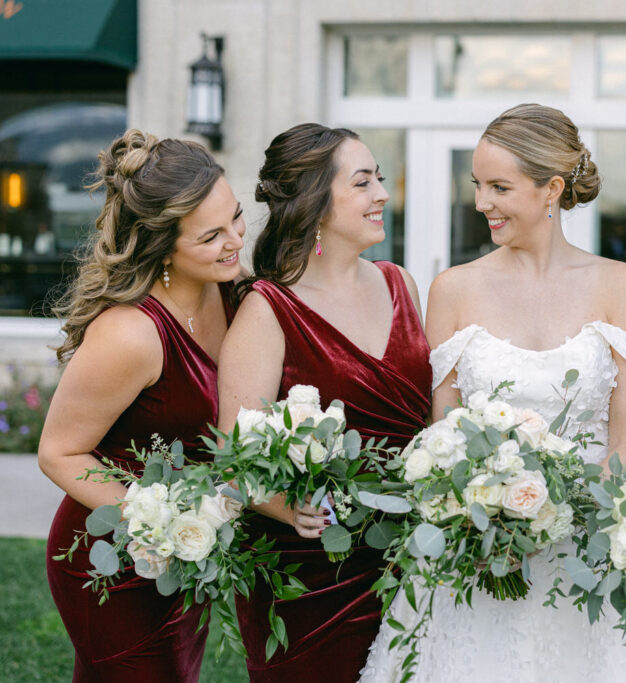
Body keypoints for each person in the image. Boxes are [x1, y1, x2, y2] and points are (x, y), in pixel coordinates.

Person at [359, 103, 626, 682]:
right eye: (477, 185)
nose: (481, 203)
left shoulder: (619, 286)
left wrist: (559, 522)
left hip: (585, 555)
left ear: (551, 188)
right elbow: (441, 436)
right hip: (474, 556)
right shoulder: (454, 289)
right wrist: (486, 527)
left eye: (499, 187)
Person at [217, 123, 431, 682]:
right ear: (315, 201)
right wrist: (293, 509)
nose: (382, 194)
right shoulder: (268, 309)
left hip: (412, 558)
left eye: (379, 179)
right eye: (363, 183)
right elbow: (235, 461)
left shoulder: (399, 283)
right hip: (311, 576)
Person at [40, 130, 245, 682]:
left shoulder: (232, 291)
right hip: (110, 562)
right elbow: (59, 452)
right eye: (211, 235)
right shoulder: (130, 333)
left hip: (185, 557)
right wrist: (162, 521)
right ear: (161, 244)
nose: (235, 241)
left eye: (236, 218)